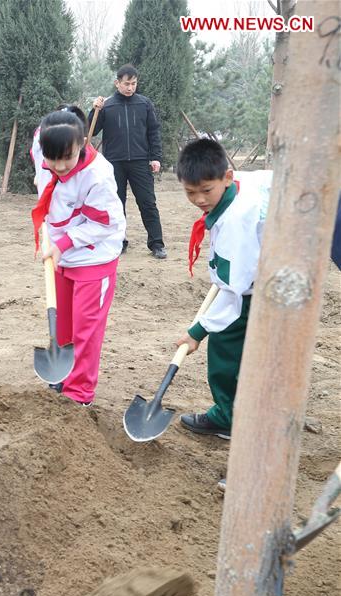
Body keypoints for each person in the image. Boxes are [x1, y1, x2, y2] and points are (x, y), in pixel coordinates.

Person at [174, 138, 271, 443]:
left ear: (227, 177)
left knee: (225, 344)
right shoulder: (239, 185)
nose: (200, 199)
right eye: (191, 192)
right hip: (267, 264)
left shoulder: (236, 223)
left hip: (267, 282)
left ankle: (227, 417)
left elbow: (233, 295)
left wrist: (198, 331)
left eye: (206, 190)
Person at [30, 107, 127, 405]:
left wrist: (64, 243)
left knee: (86, 329)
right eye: (52, 159)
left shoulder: (98, 177)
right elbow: (41, 138)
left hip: (93, 258)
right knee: (64, 326)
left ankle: (79, 391)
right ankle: (62, 374)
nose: (58, 166)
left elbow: (104, 223)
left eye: (67, 158)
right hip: (61, 255)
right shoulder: (43, 149)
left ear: (83, 144)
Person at [90, 64, 167, 259]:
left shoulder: (144, 104)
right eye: (126, 83)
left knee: (148, 203)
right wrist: (94, 111)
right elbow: (90, 130)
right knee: (116, 204)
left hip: (141, 162)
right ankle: (119, 242)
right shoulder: (106, 105)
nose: (130, 87)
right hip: (114, 163)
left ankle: (156, 243)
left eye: (133, 83)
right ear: (117, 83)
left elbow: (153, 132)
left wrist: (155, 157)